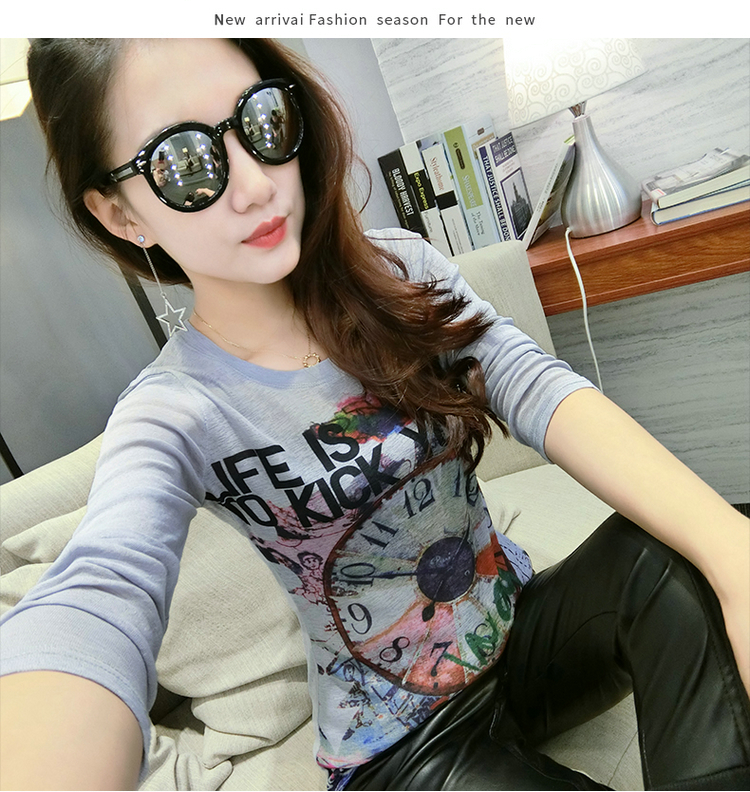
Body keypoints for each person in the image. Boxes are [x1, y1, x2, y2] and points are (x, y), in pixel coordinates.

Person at [0, 37, 748, 792]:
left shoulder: (397, 272)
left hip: (520, 638)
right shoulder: (170, 410)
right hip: (399, 747)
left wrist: (734, 555)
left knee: (687, 545)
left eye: (261, 121)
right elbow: (106, 579)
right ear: (120, 213)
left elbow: (534, 386)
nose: (257, 184)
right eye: (185, 163)